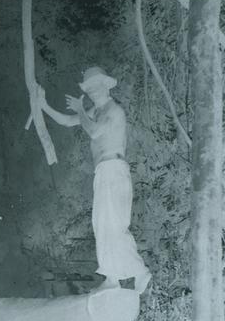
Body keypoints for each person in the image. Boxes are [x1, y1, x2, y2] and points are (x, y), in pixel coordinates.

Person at [38, 66, 150, 293]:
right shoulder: (94, 112)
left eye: (96, 86)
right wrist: (43, 104)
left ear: (106, 86)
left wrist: (80, 109)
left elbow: (95, 132)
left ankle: (140, 271)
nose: (92, 91)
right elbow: (67, 121)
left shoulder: (114, 111)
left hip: (114, 169)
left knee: (115, 224)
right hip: (103, 172)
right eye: (89, 88)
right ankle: (111, 277)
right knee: (103, 225)